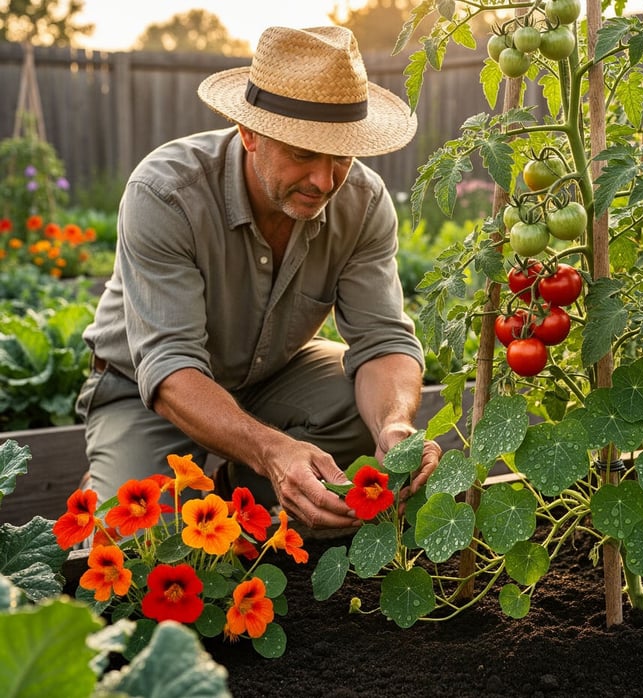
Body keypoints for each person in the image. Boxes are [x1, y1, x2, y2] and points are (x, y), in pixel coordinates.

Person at [76, 25, 441, 530]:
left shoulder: (363, 200)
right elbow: (170, 367)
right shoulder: (166, 192)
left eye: (340, 155)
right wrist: (274, 451)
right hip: (147, 394)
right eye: (302, 153)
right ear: (249, 133)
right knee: (130, 539)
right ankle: (208, 481)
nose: (324, 180)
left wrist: (395, 424)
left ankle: (231, 488)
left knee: (364, 413)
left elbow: (381, 340)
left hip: (270, 376)